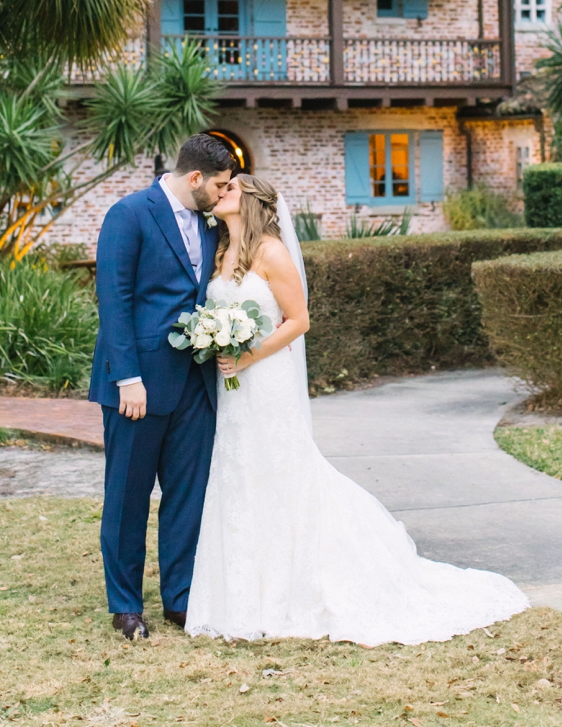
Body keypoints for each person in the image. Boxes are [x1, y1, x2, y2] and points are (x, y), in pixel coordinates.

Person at [185, 174, 529, 645]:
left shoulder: (272, 252)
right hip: (233, 387)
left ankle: (297, 587)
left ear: (253, 200)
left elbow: (299, 320)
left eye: (231, 188)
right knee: (241, 472)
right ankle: (245, 596)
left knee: (281, 470)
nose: (221, 192)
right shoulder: (222, 252)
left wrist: (249, 353)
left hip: (264, 378)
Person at [89, 133, 234, 640]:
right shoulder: (128, 215)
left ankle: (181, 597)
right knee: (128, 496)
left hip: (196, 383)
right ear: (194, 177)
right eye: (218, 185)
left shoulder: (211, 223)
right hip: (137, 387)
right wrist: (127, 377)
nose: (222, 195)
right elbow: (114, 300)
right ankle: (126, 605)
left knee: (187, 496)